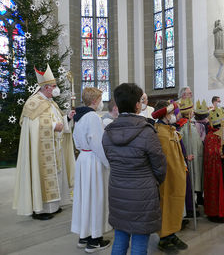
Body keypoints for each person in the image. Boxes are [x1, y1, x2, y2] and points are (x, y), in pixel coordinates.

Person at [102, 83, 167, 255]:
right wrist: (153, 182)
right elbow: (160, 165)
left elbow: (110, 158)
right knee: (139, 241)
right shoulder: (147, 132)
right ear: (138, 105)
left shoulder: (107, 131)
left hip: (117, 190)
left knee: (120, 238)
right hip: (142, 193)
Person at [13, 65, 75, 220]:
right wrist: (54, 126)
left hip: (55, 147)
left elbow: (57, 119)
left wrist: (66, 118)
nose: (56, 89)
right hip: (40, 149)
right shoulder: (33, 103)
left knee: (56, 175)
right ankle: (40, 210)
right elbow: (32, 126)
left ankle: (53, 206)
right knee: (42, 175)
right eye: (54, 86)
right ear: (46, 87)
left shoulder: (50, 102)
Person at [71, 87, 111, 252]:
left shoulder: (79, 116)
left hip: (82, 159)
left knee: (84, 198)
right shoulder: (93, 116)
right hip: (93, 160)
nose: (101, 103)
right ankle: (95, 239)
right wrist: (108, 163)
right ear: (95, 101)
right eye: (100, 99)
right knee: (96, 197)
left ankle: (84, 235)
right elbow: (98, 144)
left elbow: (76, 138)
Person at [151, 101, 188, 253]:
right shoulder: (160, 132)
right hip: (166, 177)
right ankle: (164, 238)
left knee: (175, 205)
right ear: (165, 114)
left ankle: (172, 234)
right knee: (165, 205)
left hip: (176, 175)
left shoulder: (170, 129)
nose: (174, 115)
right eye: (172, 113)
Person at [179, 98, 204, 217]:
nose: (193, 112)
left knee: (196, 180)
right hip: (190, 158)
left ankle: (195, 202)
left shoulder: (190, 124)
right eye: (192, 111)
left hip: (196, 157)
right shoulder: (183, 126)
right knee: (191, 182)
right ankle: (191, 206)